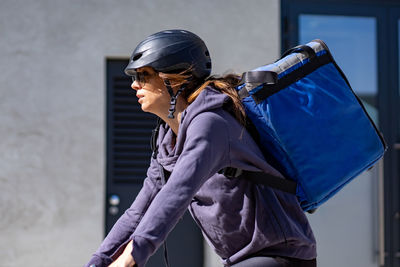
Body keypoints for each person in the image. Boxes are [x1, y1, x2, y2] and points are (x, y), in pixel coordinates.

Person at [84, 29, 317, 267]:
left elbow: (178, 191)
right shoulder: (167, 139)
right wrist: (98, 261)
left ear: (173, 79)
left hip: (282, 256)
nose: (134, 85)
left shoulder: (211, 123)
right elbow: (137, 213)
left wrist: (130, 257)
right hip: (241, 259)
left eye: (143, 75)